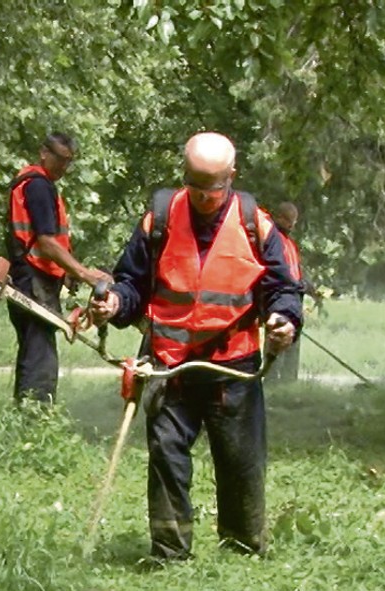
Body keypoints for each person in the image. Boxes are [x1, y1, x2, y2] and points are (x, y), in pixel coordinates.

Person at [91, 132, 302, 558]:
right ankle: (170, 554)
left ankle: (243, 549)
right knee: (166, 456)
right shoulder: (160, 219)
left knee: (240, 462)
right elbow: (132, 283)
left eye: (215, 187)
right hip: (170, 365)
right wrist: (114, 303)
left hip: (233, 366)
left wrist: (284, 319)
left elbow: (284, 288)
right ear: (184, 176)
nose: (205, 197)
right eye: (196, 185)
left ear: (231, 177)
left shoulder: (254, 224)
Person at [6, 132, 111, 405]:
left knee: (33, 349)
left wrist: (64, 272)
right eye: (60, 159)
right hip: (33, 282)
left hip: (27, 278)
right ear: (44, 153)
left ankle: (26, 412)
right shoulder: (39, 186)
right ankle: (35, 418)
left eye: (69, 162)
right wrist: (84, 274)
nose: (64, 167)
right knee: (41, 355)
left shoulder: (28, 183)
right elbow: (46, 242)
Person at [270, 201, 305, 382]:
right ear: (278, 218)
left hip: (296, 297)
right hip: (279, 297)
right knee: (277, 337)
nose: (291, 225)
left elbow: (296, 269)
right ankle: (271, 380)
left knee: (294, 340)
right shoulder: (273, 240)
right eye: (288, 220)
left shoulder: (290, 243)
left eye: (294, 221)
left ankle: (290, 380)